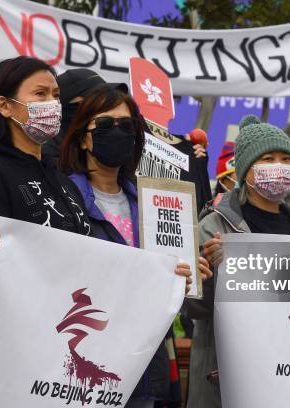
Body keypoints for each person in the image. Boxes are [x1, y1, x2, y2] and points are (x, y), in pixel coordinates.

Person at [59, 83, 211, 407]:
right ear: (84, 137)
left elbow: (163, 287)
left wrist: (182, 276)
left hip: (145, 365)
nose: (117, 132)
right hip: (85, 362)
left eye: (126, 125)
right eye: (104, 125)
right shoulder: (61, 199)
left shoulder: (153, 203)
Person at [183, 114, 290, 408]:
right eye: (268, 158)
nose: (278, 166)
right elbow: (194, 307)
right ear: (245, 170)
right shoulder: (215, 225)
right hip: (230, 375)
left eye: (286, 159)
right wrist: (210, 275)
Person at [0, 56, 92, 304]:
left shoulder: (65, 183)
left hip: (68, 323)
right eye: (40, 94)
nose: (52, 103)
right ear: (4, 106)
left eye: (55, 95)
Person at [42, 68, 128, 164]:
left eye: (106, 100)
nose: (104, 108)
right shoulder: (48, 160)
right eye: (94, 102)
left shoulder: (113, 154)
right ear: (66, 108)